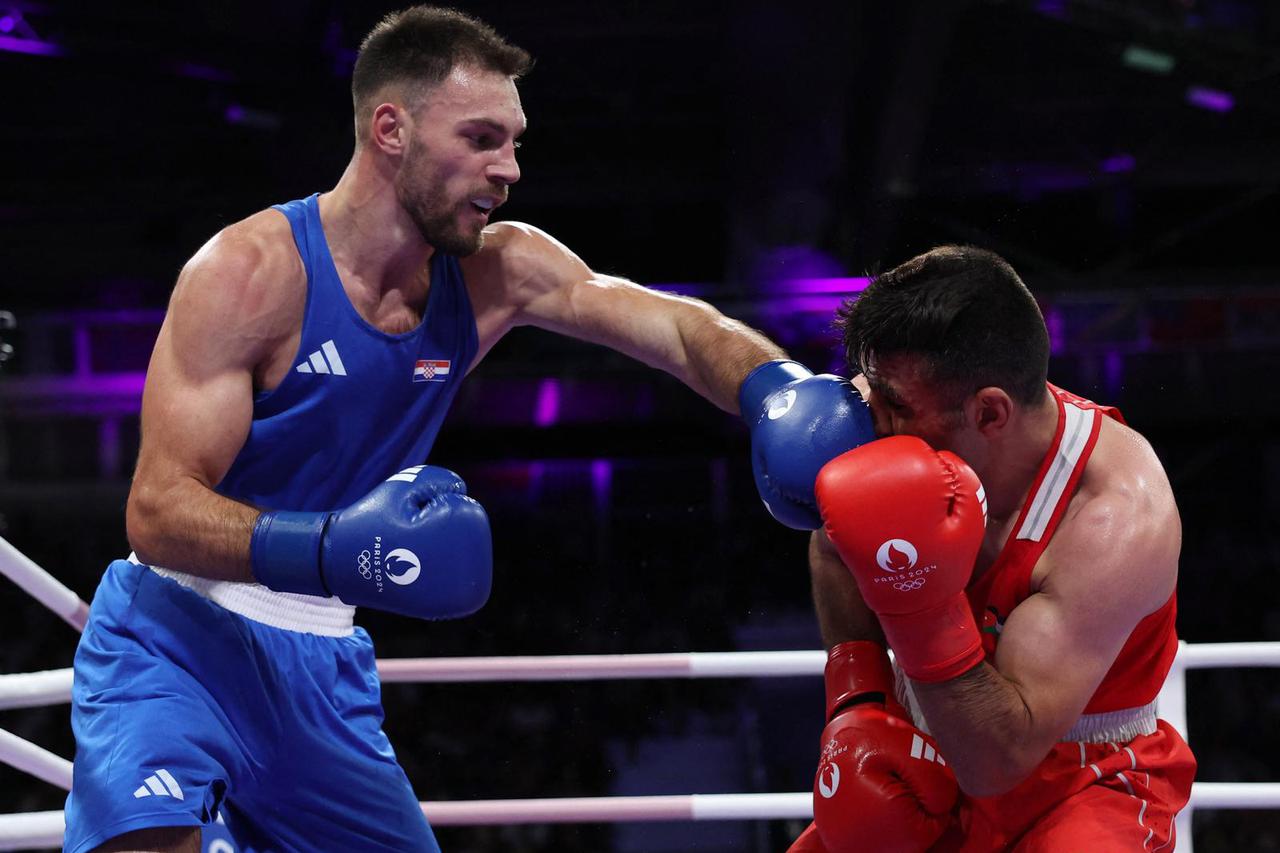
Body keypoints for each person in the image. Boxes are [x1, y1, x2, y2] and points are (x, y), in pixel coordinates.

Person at [62, 6, 871, 853]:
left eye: (515, 142)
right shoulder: (250, 272)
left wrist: (773, 387)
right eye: (483, 138)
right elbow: (156, 509)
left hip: (320, 659)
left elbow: (669, 326)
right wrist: (332, 544)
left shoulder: (499, 270)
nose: (510, 168)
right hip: (178, 634)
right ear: (391, 130)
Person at [785, 245, 1196, 851]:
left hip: (1085, 777)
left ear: (990, 413)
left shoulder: (1114, 515)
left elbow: (998, 759)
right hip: (932, 739)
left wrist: (918, 596)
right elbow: (832, 540)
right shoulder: (904, 406)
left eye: (893, 404)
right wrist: (860, 697)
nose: (872, 420)